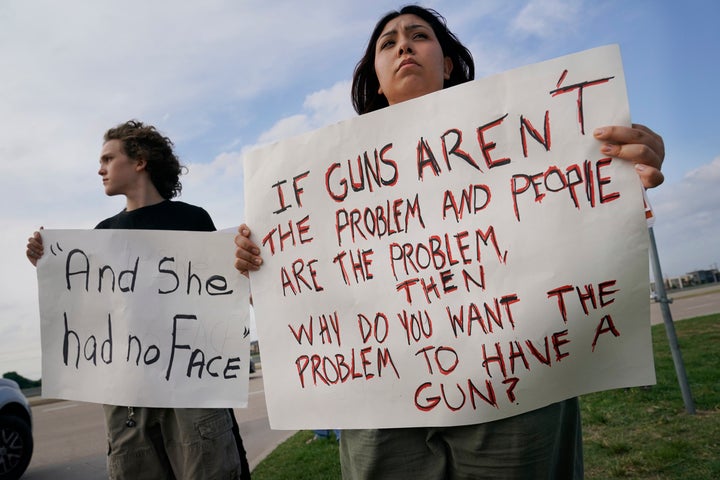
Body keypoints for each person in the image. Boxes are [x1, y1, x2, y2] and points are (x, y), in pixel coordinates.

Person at [233, 6, 665, 479]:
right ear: (376, 78)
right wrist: (260, 263)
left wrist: (623, 168)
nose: (403, 45)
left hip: (513, 382)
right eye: (388, 43)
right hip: (379, 396)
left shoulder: (528, 133)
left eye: (419, 35)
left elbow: (571, 216)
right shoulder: (322, 185)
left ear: (448, 63)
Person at [26, 120, 251, 480]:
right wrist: (48, 265)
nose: (100, 169)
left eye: (108, 158)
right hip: (128, 396)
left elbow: (218, 300)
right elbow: (91, 314)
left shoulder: (191, 219)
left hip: (190, 388)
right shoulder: (103, 234)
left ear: (140, 161)